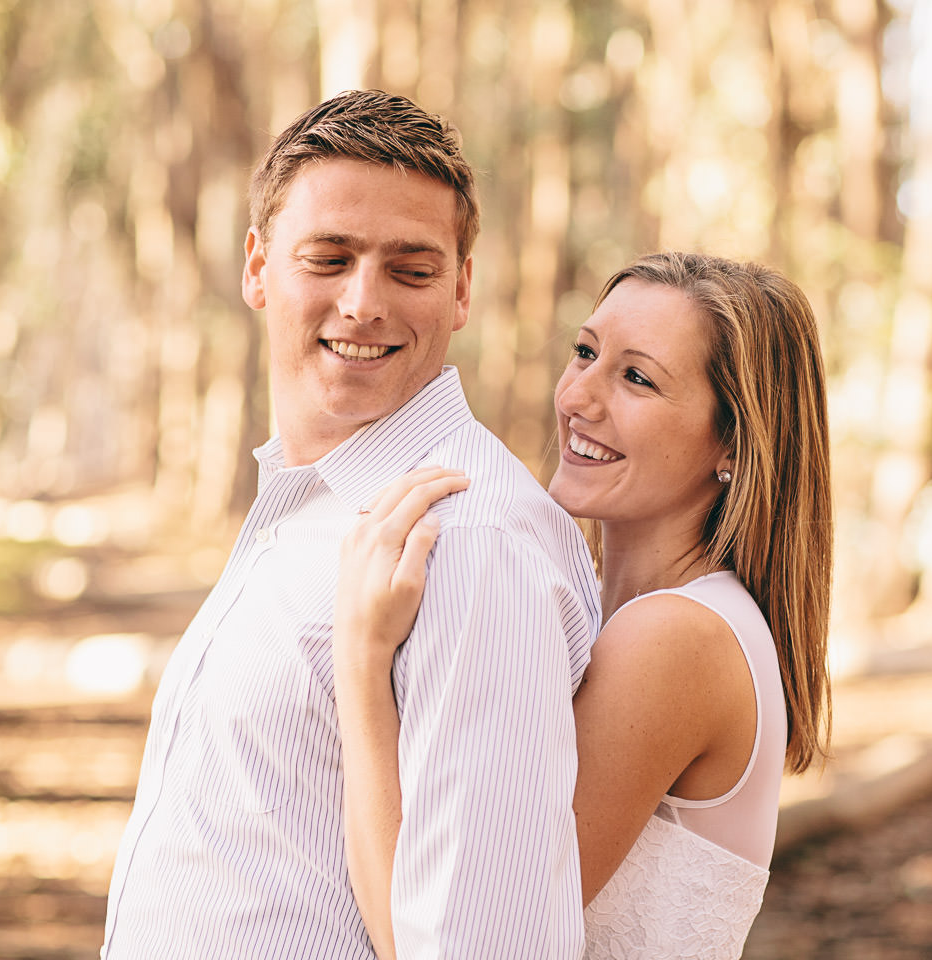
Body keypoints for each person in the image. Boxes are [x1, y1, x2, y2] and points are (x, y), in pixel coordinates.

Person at [99, 90, 601, 959]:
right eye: (328, 258)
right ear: (257, 267)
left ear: (461, 290)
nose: (364, 303)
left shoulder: (471, 541)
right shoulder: (308, 501)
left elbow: (481, 943)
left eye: (411, 270)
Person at [334, 251, 834, 959]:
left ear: (732, 442)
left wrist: (359, 660)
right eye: (585, 353)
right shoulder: (621, 617)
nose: (577, 398)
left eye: (636, 377)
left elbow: (442, 941)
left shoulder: (676, 637)